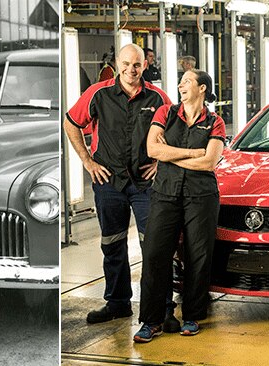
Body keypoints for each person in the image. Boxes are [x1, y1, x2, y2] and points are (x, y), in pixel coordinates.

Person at [63, 44, 172, 324]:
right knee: (112, 244)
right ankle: (117, 303)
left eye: (136, 65)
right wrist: (88, 162)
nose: (130, 70)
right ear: (116, 63)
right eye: (125, 64)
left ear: (144, 66)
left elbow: (177, 131)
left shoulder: (158, 98)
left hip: (146, 183)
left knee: (155, 247)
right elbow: (71, 122)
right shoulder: (97, 93)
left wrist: (161, 163)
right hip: (108, 181)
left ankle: (161, 307)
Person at [134, 70, 225, 343]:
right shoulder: (165, 112)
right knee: (154, 254)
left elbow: (210, 162)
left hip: (201, 196)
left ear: (202, 89)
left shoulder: (215, 122)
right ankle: (151, 322)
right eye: (180, 82)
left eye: (186, 81)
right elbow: (152, 149)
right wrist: (193, 153)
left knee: (198, 256)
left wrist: (170, 156)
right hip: (165, 194)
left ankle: (193, 317)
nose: (180, 85)